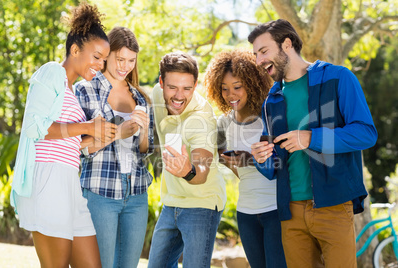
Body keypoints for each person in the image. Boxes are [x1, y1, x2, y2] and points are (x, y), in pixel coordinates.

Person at [248, 19, 378, 268]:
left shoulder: (338, 78)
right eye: (255, 54)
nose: (258, 61)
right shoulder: (271, 100)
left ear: (287, 44)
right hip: (290, 212)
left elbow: (365, 133)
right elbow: (273, 166)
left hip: (334, 205)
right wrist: (262, 158)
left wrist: (311, 138)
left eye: (263, 51)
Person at [10, 2, 115, 267]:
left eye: (104, 60)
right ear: (75, 49)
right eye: (96, 57)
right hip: (47, 178)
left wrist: (96, 138)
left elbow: (67, 142)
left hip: (69, 180)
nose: (101, 65)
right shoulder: (51, 72)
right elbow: (36, 128)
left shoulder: (72, 90)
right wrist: (87, 127)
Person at [75, 26, 154, 268]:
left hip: (137, 193)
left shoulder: (140, 97)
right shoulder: (85, 89)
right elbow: (80, 146)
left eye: (131, 61)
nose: (125, 66)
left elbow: (144, 150)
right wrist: (119, 133)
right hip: (100, 192)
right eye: (120, 59)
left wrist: (144, 127)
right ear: (107, 55)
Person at [204, 48, 287, 268]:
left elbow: (285, 163)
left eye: (237, 87)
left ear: (252, 83)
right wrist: (230, 161)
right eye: (224, 89)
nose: (231, 95)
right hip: (246, 212)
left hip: (275, 210)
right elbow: (228, 160)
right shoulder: (224, 123)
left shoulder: (268, 117)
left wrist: (250, 160)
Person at [147, 51, 226, 268]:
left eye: (187, 88)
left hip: (202, 203)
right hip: (171, 202)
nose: (179, 96)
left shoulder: (202, 118)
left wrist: (187, 171)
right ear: (161, 83)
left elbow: (201, 172)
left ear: (195, 85)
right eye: (172, 87)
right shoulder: (156, 94)